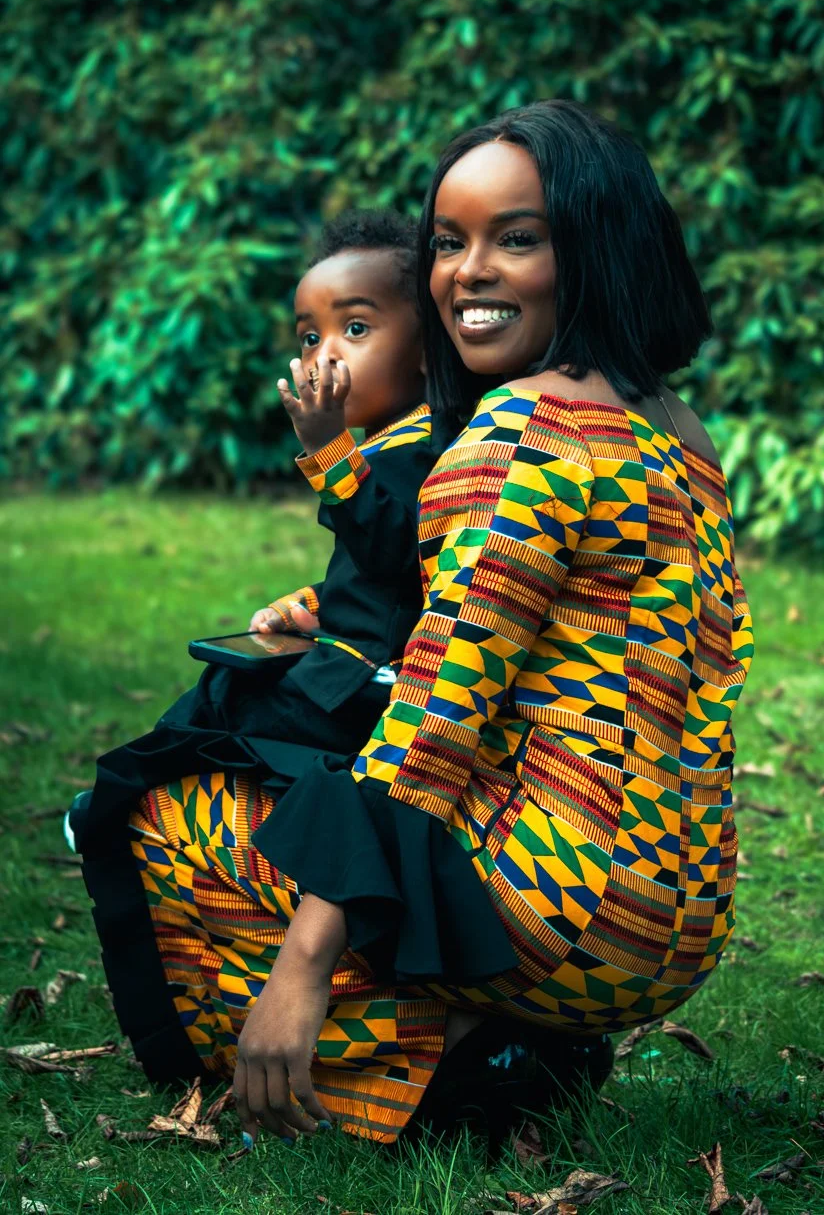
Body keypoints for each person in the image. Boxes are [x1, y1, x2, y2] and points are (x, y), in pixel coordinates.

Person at [92, 101, 755, 1151]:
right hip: (679, 908)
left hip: (556, 904)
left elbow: (436, 720)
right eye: (449, 243)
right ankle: (500, 1036)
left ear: (595, 243)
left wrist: (304, 966)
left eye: (517, 238)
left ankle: (441, 1082)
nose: (467, 273)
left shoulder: (522, 429)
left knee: (162, 812)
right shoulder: (679, 428)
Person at [78, 209, 457, 1079]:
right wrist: (316, 605)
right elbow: (388, 580)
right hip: (351, 655)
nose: (326, 356)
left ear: (430, 347)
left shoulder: (430, 449)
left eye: (355, 329)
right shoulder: (396, 443)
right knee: (230, 679)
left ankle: (117, 800)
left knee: (221, 700)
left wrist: (326, 452)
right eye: (311, 334)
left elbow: (400, 544)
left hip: (371, 692)